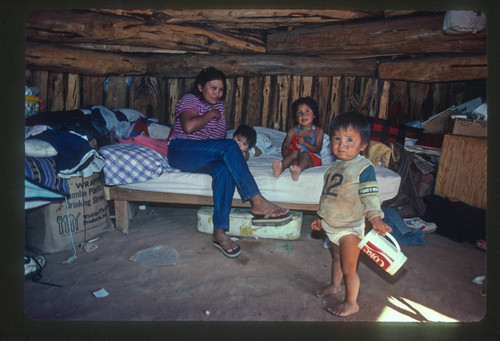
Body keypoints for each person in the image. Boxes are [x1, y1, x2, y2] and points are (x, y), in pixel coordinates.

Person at [167, 67, 292, 258]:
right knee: (229, 146)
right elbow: (188, 126)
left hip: (202, 156)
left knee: (224, 169)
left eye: (221, 90)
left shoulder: (219, 109)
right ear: (200, 87)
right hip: (182, 151)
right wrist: (211, 115)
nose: (217, 93)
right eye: (213, 88)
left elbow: (215, 143)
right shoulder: (190, 100)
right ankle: (257, 201)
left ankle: (219, 233)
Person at [311, 111, 392, 317]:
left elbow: (370, 195)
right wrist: (320, 217)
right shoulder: (332, 167)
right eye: (337, 138)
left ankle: (351, 302)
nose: (342, 144)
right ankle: (335, 286)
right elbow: (328, 196)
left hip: (350, 229)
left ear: (363, 144)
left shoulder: (363, 167)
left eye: (349, 139)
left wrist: (375, 218)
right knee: (336, 260)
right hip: (331, 226)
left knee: (349, 268)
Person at [272, 97, 324, 181]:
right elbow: (285, 145)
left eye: (307, 111)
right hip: (296, 158)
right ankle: (280, 169)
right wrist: (287, 157)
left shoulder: (319, 131)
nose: (303, 115)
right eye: (300, 112)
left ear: (314, 114)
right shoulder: (293, 130)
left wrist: (305, 143)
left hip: (311, 160)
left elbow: (317, 148)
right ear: (296, 118)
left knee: (305, 154)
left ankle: (298, 171)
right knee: (294, 152)